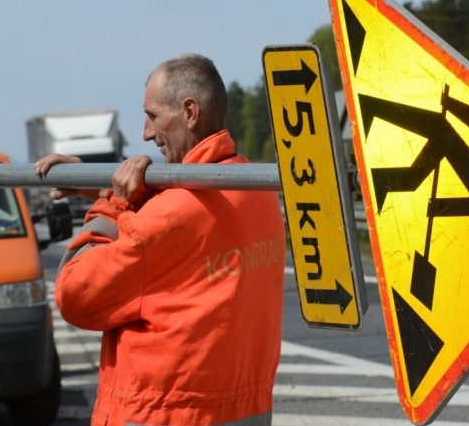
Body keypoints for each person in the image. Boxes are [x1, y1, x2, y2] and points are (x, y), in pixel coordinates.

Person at [35, 54, 286, 426]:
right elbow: (191, 220)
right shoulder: (256, 190)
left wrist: (114, 202)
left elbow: (75, 296)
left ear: (189, 112)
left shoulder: (168, 217)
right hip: (243, 412)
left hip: (159, 415)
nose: (146, 133)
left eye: (152, 116)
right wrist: (108, 187)